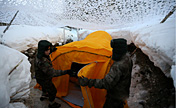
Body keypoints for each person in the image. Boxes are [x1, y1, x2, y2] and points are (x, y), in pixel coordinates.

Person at [78, 38, 133, 108]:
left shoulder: (118, 66)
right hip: (122, 94)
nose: (112, 51)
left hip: (114, 98)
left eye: (114, 49)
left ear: (118, 50)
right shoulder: (128, 58)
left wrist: (88, 82)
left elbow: (106, 83)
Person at [35, 40, 71, 108]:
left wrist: (51, 50)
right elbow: (53, 73)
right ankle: (52, 103)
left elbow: (47, 51)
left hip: (39, 77)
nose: (49, 51)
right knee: (53, 91)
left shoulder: (39, 54)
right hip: (44, 79)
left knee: (44, 86)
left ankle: (44, 95)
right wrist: (66, 72)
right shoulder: (43, 62)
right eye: (47, 50)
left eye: (49, 50)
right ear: (43, 51)